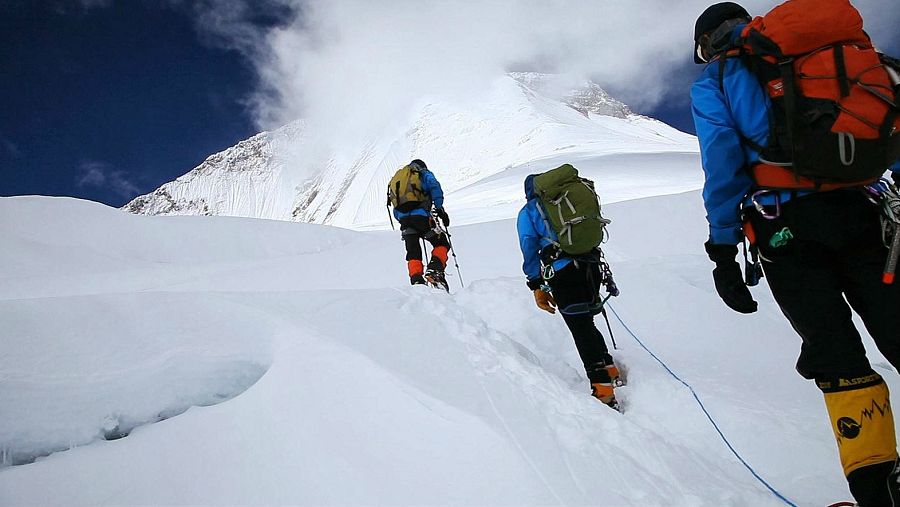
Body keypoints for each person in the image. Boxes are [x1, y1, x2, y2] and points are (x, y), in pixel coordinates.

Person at [691, 2, 900, 504]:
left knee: (836, 354)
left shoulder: (718, 79)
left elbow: (722, 163)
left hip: (786, 228)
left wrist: (722, 249)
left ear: (708, 42)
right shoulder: (844, 56)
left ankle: (877, 493)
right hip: (868, 213)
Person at [516, 173, 621, 410]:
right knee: (587, 323)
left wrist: (535, 283)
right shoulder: (567, 199)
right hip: (592, 266)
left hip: (563, 272)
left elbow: (528, 245)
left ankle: (603, 390)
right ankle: (610, 369)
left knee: (580, 328)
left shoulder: (530, 211)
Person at [390, 159, 451, 287]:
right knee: (441, 242)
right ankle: (435, 270)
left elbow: (394, 203)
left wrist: (404, 217)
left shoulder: (399, 179)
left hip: (404, 221)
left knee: (413, 252)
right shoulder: (422, 173)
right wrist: (440, 209)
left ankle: (417, 280)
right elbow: (434, 186)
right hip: (422, 217)